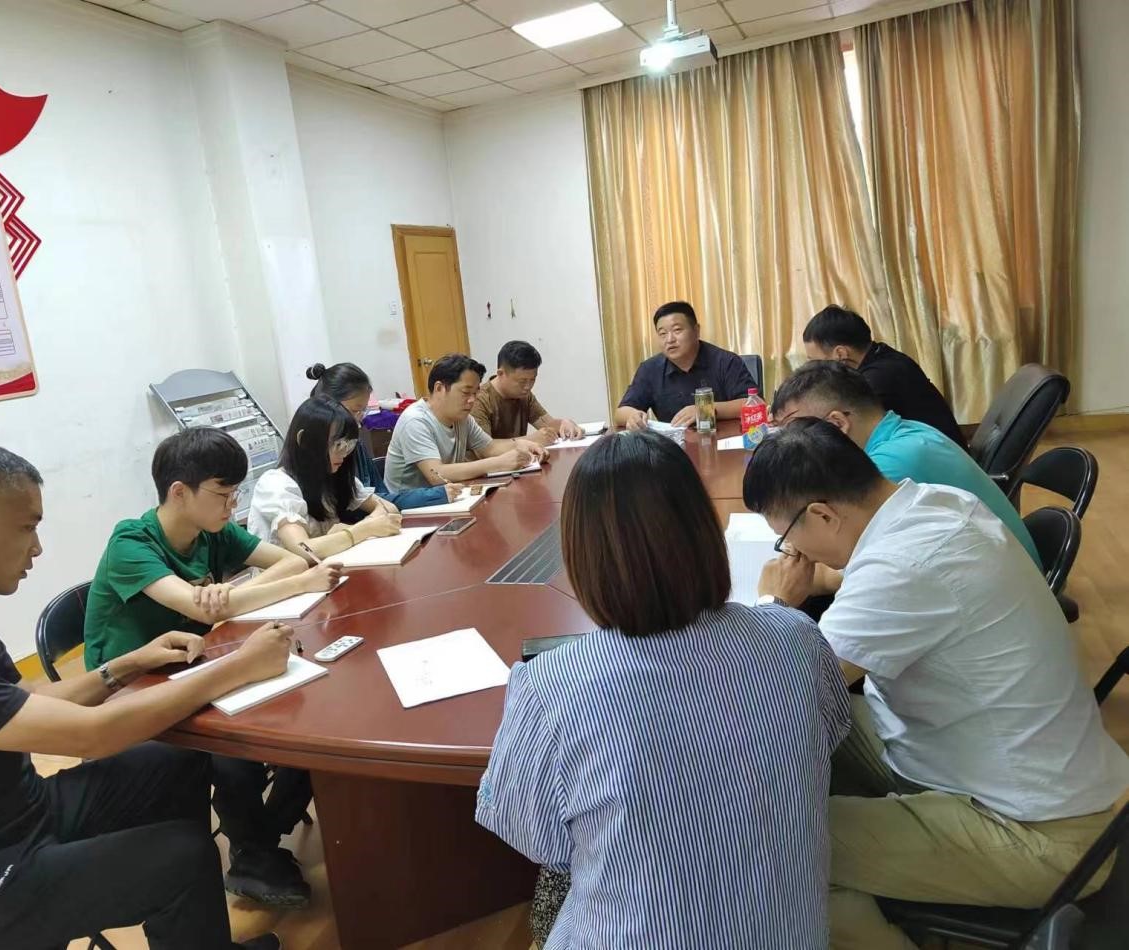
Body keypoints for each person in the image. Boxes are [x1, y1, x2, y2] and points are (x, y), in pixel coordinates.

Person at [0, 442, 291, 950]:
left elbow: (30, 699)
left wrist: (128, 664)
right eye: (28, 527)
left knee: (175, 763)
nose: (38, 548)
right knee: (181, 856)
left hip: (18, 812)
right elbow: (93, 735)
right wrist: (238, 667)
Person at [743, 420, 1129, 950]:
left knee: (772, 848)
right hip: (993, 770)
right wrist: (819, 577)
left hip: (1037, 836)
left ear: (824, 515)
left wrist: (774, 605)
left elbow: (772, 687)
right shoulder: (931, 505)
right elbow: (873, 577)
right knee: (816, 739)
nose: (789, 551)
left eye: (786, 537)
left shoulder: (904, 568)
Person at [476, 430, 851, 948]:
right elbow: (827, 740)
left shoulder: (552, 687)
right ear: (703, 530)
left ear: (581, 554)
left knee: (556, 890)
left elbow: (540, 841)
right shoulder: (798, 638)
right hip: (792, 932)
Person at [84, 427, 341, 908]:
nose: (232, 506)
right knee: (234, 748)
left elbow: (288, 560)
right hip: (134, 688)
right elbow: (202, 609)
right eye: (223, 494)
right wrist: (278, 589)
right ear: (179, 492)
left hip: (194, 667)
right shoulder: (131, 541)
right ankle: (256, 851)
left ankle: (258, 844)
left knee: (309, 716)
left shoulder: (211, 532)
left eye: (236, 493)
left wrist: (234, 594)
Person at [770, 360, 1042, 569]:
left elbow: (853, 564)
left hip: (1005, 586)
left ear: (837, 424)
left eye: (798, 430)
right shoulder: (900, 431)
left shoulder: (888, 465)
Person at [249, 395, 403, 560]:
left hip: (329, 568)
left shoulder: (332, 475)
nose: (344, 454)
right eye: (338, 445)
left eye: (349, 445)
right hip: (293, 575)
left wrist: (364, 526)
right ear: (304, 440)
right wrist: (361, 530)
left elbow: (389, 508)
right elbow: (304, 550)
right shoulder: (277, 484)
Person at [803, 305, 967, 448]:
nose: (813, 367)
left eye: (814, 360)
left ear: (840, 353)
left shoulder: (879, 378)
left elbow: (851, 433)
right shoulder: (882, 356)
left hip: (935, 462)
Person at [305, 362, 462, 511]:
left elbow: (379, 496)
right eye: (354, 411)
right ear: (329, 405)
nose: (359, 420)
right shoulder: (316, 456)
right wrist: (434, 495)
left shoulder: (355, 444)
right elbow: (355, 508)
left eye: (364, 410)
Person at [384, 354, 547, 491]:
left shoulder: (462, 418)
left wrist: (522, 445)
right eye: (466, 392)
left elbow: (490, 448)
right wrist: (498, 463)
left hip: (447, 496)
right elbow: (436, 475)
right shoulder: (415, 421)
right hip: (408, 507)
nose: (472, 400)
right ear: (439, 388)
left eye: (475, 393)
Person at [615, 300, 756, 430]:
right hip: (672, 446)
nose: (670, 339)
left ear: (696, 331)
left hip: (723, 442)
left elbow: (753, 403)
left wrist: (705, 410)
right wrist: (633, 416)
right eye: (662, 333)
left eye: (677, 330)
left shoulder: (726, 361)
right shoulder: (649, 369)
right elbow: (621, 412)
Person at [471, 340, 583, 446]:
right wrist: (532, 439)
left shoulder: (524, 395)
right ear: (501, 374)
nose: (528, 387)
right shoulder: (479, 400)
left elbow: (547, 424)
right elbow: (486, 448)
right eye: (522, 381)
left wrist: (564, 424)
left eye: (532, 379)